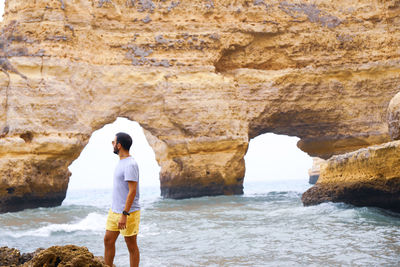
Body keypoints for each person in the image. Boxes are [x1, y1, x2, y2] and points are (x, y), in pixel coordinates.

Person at [104, 132, 140, 267]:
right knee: (108, 240)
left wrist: (124, 214)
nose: (112, 144)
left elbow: (132, 191)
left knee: (131, 245)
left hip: (128, 212)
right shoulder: (121, 162)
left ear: (119, 145)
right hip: (115, 210)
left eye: (113, 142)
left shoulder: (130, 164)